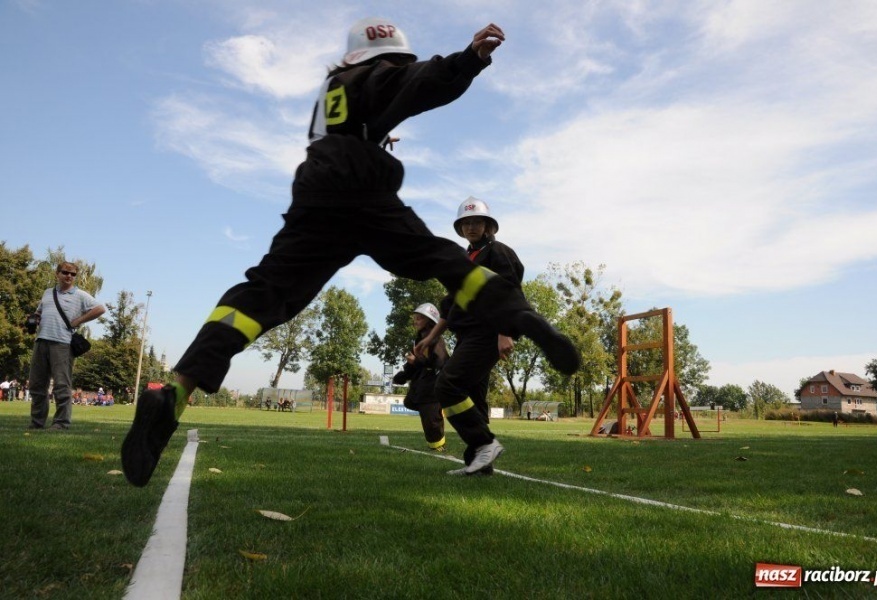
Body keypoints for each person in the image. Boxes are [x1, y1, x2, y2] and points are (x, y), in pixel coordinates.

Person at [120, 18, 578, 487]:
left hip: (316, 192)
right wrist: (470, 59)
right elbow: (423, 83)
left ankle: (176, 390)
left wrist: (379, 139)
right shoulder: (380, 74)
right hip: (365, 193)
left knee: (263, 294)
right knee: (444, 261)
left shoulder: (332, 91)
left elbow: (356, 128)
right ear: (388, 56)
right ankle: (521, 316)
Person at [415, 197, 524, 475]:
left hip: (488, 333)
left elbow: (507, 292)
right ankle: (479, 466)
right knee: (474, 398)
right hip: (467, 335)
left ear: (488, 226)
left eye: (476, 222)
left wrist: (504, 332)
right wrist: (430, 338)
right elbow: (450, 306)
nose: (471, 227)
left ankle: (485, 443)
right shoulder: (464, 259)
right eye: (466, 223)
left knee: (446, 387)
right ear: (460, 228)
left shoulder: (499, 252)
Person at [27, 262, 105, 430]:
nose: (69, 276)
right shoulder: (48, 293)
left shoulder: (80, 295)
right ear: (57, 274)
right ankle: (37, 422)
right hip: (41, 341)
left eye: (73, 274)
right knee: (36, 384)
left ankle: (61, 423)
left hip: (62, 343)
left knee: (62, 385)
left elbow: (100, 309)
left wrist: (79, 320)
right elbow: (39, 312)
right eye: (65, 272)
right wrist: (34, 319)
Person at [393, 303, 448, 452]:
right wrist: (403, 376)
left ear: (430, 321)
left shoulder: (435, 340)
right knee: (411, 401)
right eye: (415, 318)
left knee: (430, 416)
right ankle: (436, 413)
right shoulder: (418, 340)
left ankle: (438, 447)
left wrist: (417, 361)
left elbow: (440, 362)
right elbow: (414, 365)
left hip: (434, 385)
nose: (415, 321)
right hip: (422, 384)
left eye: (419, 318)